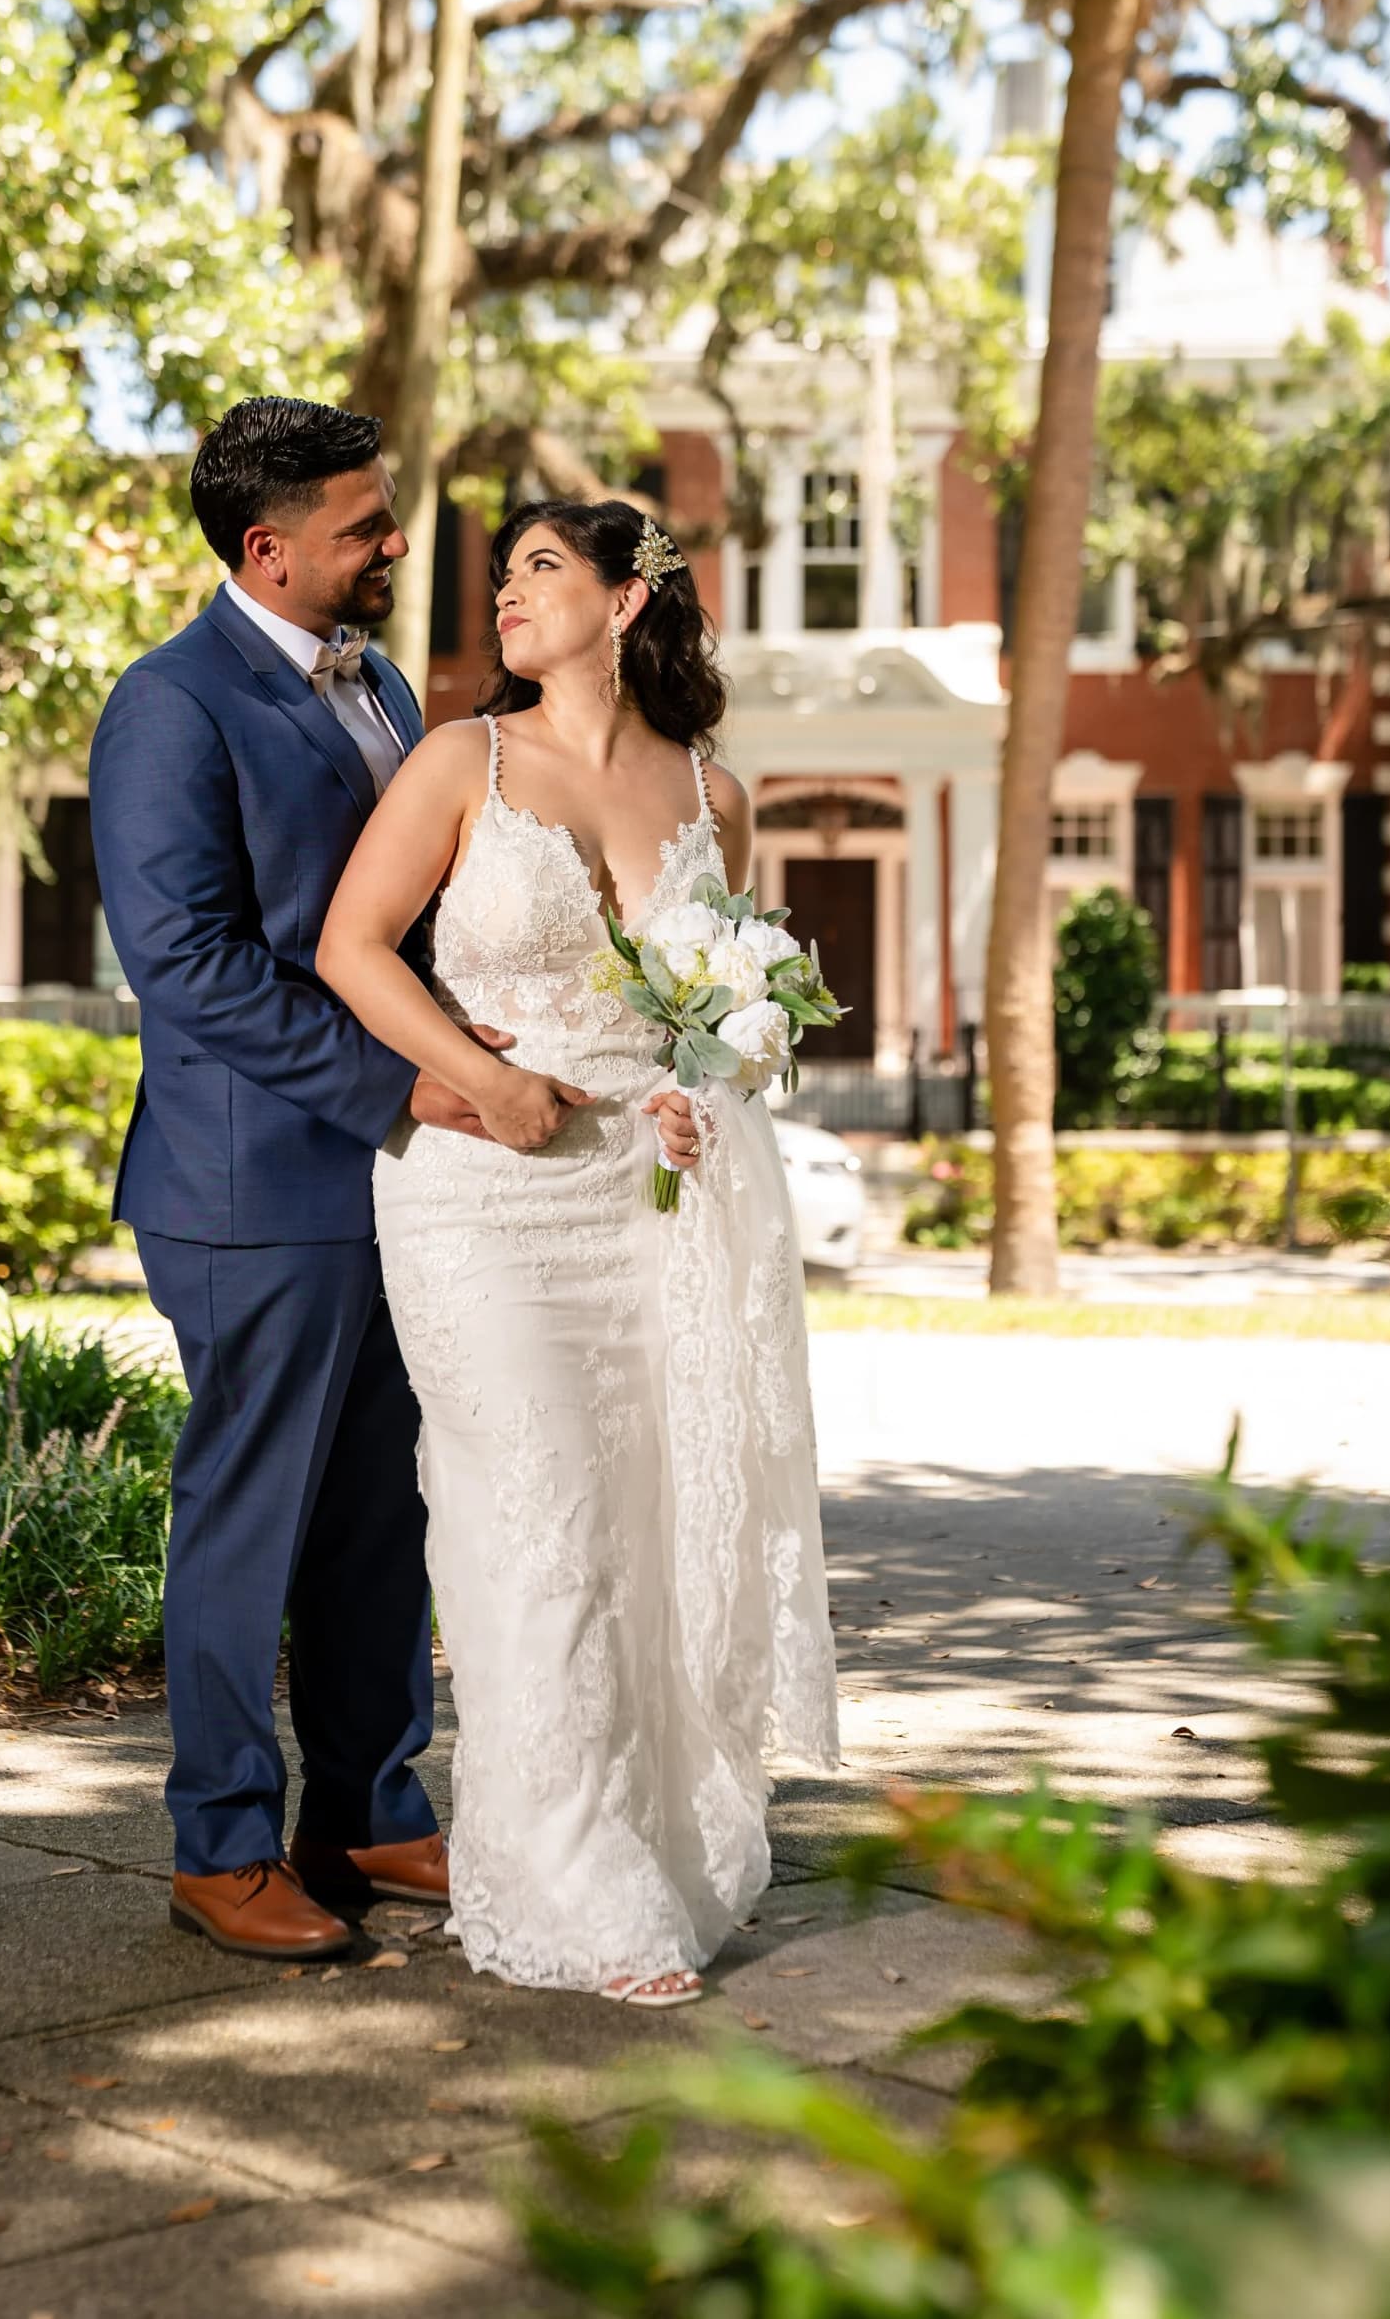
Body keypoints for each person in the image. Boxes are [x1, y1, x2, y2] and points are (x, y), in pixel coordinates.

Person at [89, 398, 705, 1962]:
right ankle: (222, 1843)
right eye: (365, 524)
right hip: (255, 1186)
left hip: (419, 1185)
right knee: (249, 1519)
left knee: (379, 1516)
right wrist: (409, 1079)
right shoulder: (171, 704)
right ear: (268, 549)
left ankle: (365, 1806)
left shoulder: (374, 685)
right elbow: (189, 964)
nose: (396, 542)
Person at [317, 497, 839, 2007]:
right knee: (535, 1513)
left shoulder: (712, 793)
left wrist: (697, 1095)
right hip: (478, 1192)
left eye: (541, 567)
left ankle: (651, 1839)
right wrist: (473, 1079)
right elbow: (351, 948)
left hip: (644, 1204)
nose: (507, 592)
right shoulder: (459, 761)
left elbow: (716, 1016)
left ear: (625, 601)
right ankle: (575, 1881)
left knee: (641, 1531)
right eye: (503, 574)